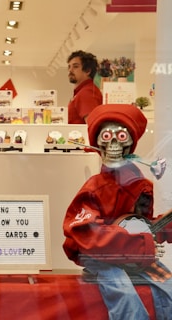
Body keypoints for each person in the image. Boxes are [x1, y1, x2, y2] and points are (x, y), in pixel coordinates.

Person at [63, 104, 172, 319]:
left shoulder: (141, 186)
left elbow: (142, 224)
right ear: (97, 143)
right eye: (106, 136)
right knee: (125, 298)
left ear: (131, 143)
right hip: (101, 257)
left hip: (135, 256)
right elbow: (87, 233)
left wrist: (163, 228)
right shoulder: (93, 189)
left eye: (121, 136)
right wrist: (142, 243)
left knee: (169, 286)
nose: (113, 144)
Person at [67, 50, 102, 124]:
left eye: (75, 66)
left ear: (88, 71)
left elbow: (91, 125)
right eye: (69, 67)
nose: (70, 70)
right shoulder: (83, 91)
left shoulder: (86, 93)